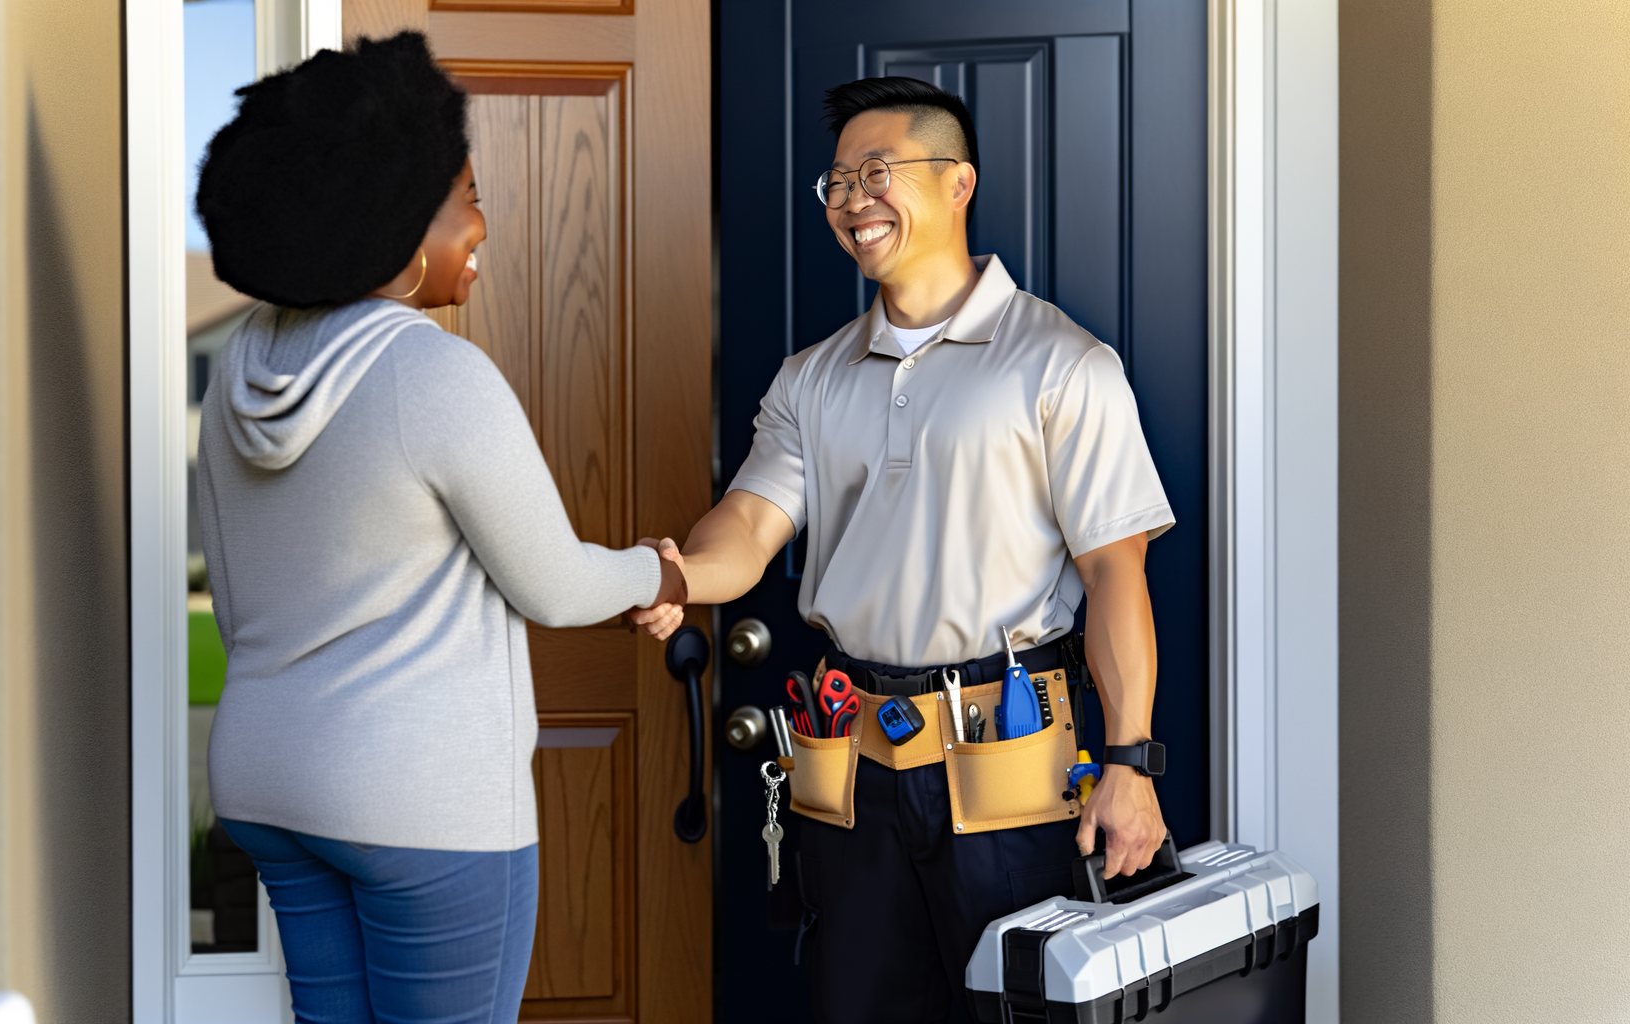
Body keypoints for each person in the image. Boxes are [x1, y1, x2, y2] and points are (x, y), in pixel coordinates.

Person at [630, 77, 1173, 1023]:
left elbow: (1114, 571)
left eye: (876, 173)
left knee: (1019, 1011)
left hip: (1010, 771)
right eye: (837, 183)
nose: (852, 201)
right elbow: (748, 526)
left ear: (959, 182)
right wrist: (676, 573)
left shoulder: (1063, 365)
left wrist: (1130, 764)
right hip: (851, 773)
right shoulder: (811, 379)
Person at [193, 33, 684, 1024]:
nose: (483, 224)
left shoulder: (240, 374)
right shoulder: (432, 372)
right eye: (468, 197)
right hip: (417, 799)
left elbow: (237, 609)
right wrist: (658, 574)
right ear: (400, 224)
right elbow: (553, 585)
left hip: (267, 779)